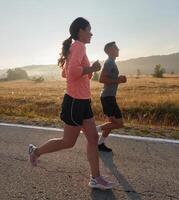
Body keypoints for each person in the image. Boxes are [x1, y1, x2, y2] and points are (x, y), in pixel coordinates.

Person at [28, 17, 116, 190]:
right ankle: (35, 151)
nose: (92, 33)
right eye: (89, 29)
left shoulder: (75, 47)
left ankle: (95, 178)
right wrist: (92, 69)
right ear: (81, 31)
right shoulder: (79, 46)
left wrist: (87, 72)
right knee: (68, 142)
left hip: (82, 101)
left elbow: (65, 73)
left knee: (92, 138)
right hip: (75, 102)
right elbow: (72, 72)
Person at [97, 42, 127, 152]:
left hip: (109, 97)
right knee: (118, 124)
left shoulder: (112, 62)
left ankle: (99, 144)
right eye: (115, 48)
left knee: (111, 123)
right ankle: (93, 131)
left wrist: (119, 79)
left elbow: (109, 79)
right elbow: (101, 79)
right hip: (107, 97)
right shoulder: (109, 62)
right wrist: (117, 80)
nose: (118, 49)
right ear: (109, 50)